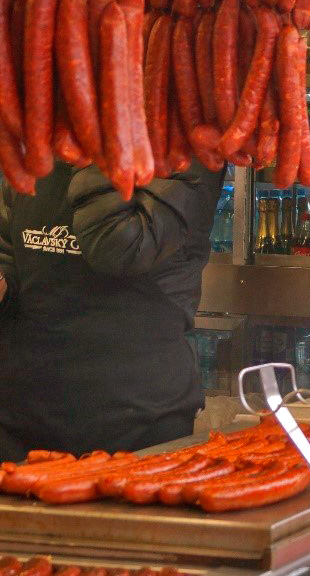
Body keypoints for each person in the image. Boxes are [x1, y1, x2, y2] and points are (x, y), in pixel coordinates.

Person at [0, 162, 224, 461]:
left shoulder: (184, 147)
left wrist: (93, 135)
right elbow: (10, 261)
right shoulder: (39, 142)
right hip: (22, 424)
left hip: (137, 426)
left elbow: (120, 248)